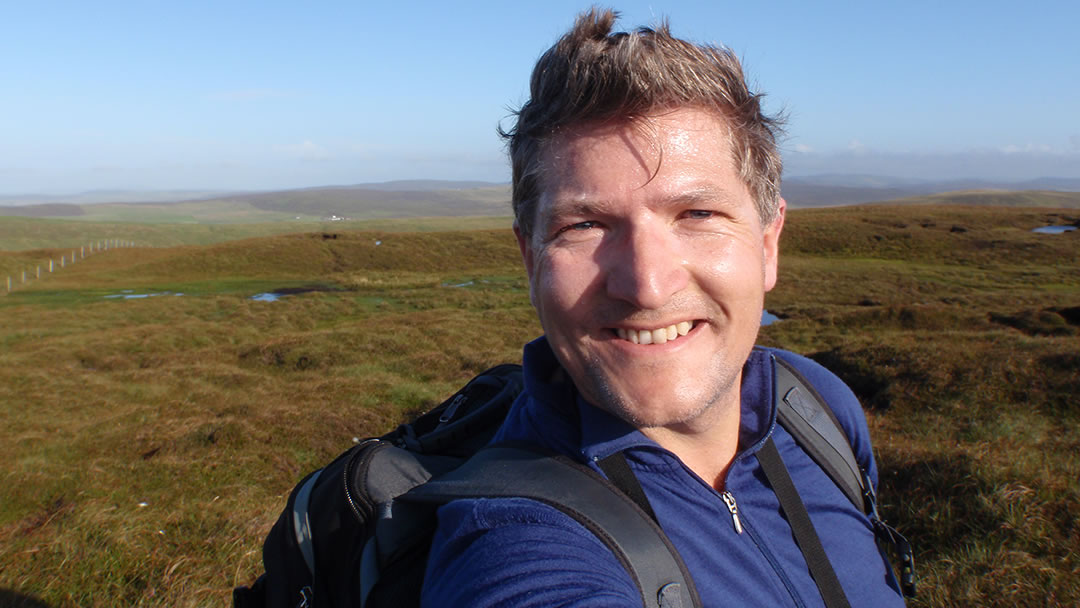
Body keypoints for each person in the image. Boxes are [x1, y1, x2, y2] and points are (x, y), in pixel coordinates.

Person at [421, 8, 906, 607]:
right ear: (531, 258)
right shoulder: (513, 542)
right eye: (585, 224)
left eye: (698, 215)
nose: (647, 285)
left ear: (767, 242)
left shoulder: (817, 409)